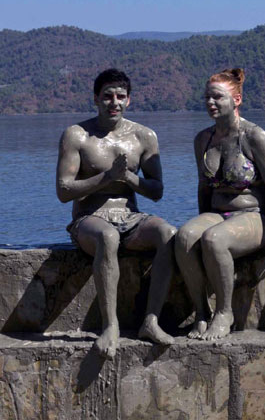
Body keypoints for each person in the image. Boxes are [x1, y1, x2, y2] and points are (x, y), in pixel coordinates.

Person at [56, 68, 177, 358]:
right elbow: (63, 191)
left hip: (130, 218)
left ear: (129, 101)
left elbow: (157, 190)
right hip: (89, 220)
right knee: (108, 237)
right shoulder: (77, 136)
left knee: (169, 234)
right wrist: (107, 177)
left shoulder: (143, 136)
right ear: (96, 99)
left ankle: (151, 320)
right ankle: (111, 326)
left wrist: (128, 179)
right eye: (107, 96)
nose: (114, 102)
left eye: (120, 97)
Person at [174, 68, 265, 340]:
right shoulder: (203, 139)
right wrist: (199, 223)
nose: (210, 103)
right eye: (207, 98)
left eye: (217, 97)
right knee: (185, 237)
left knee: (214, 240)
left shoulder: (255, 137)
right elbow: (203, 187)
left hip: (255, 217)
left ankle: (225, 313)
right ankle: (202, 313)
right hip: (217, 213)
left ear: (236, 100)